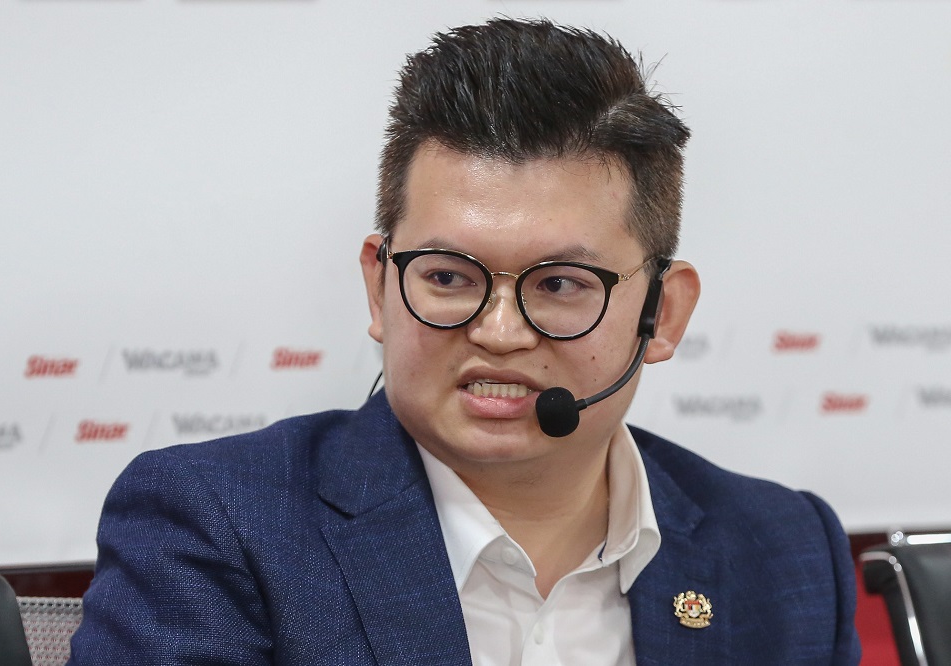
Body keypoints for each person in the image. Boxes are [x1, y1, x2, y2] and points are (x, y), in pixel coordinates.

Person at [69, 18, 860, 665]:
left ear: (664, 313)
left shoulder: (782, 549)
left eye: (559, 285)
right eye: (447, 277)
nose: (499, 332)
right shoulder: (221, 525)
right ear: (380, 285)